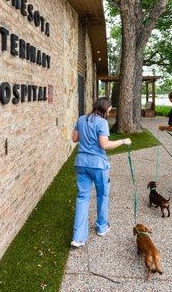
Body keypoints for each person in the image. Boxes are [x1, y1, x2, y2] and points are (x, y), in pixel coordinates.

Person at [71, 97, 131, 248]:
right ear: (105, 108)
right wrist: (123, 141)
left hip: (81, 163)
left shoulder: (81, 119)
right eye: (110, 109)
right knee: (102, 195)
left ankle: (78, 238)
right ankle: (101, 227)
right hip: (98, 165)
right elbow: (104, 145)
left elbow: (74, 138)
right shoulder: (102, 122)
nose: (110, 112)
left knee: (82, 197)